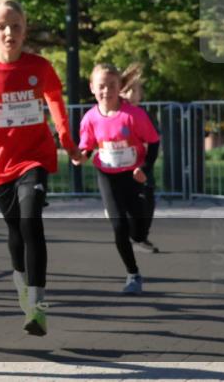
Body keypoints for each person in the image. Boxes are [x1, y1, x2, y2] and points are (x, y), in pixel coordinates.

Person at [0, 0, 86, 337]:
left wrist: (67, 142)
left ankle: (37, 305)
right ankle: (21, 280)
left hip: (34, 158)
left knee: (31, 222)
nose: (9, 32)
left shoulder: (39, 67)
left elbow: (55, 102)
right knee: (15, 231)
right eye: (2, 27)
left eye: (16, 26)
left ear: (25, 31)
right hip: (0, 164)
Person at [75, 63, 160, 294]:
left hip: (133, 176)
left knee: (138, 231)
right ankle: (133, 274)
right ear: (92, 88)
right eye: (101, 86)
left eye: (112, 86)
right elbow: (87, 146)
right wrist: (80, 157)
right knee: (119, 226)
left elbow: (153, 142)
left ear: (120, 87)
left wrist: (144, 167)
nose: (106, 91)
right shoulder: (90, 118)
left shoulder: (133, 115)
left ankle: (138, 234)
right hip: (107, 175)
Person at [120, 65, 162, 253]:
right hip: (122, 169)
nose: (131, 95)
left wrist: (146, 163)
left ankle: (141, 237)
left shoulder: (145, 115)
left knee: (148, 203)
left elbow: (154, 140)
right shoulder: (117, 114)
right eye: (127, 90)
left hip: (143, 167)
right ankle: (131, 236)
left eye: (135, 91)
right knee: (127, 204)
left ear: (141, 94)